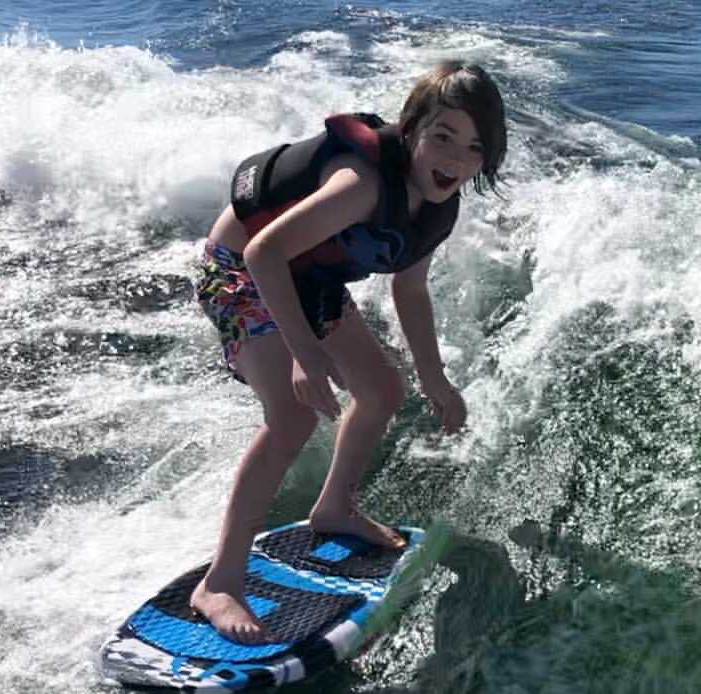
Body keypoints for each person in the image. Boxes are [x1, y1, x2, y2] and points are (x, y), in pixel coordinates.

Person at [190, 62, 507, 643]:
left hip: (305, 275)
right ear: (410, 131)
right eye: (442, 137)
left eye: (474, 147)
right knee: (291, 416)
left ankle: (333, 507)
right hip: (240, 269)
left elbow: (409, 287)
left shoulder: (438, 206)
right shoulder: (360, 184)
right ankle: (220, 581)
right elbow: (264, 254)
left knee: (384, 390)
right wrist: (306, 358)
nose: (456, 160)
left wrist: (435, 379)